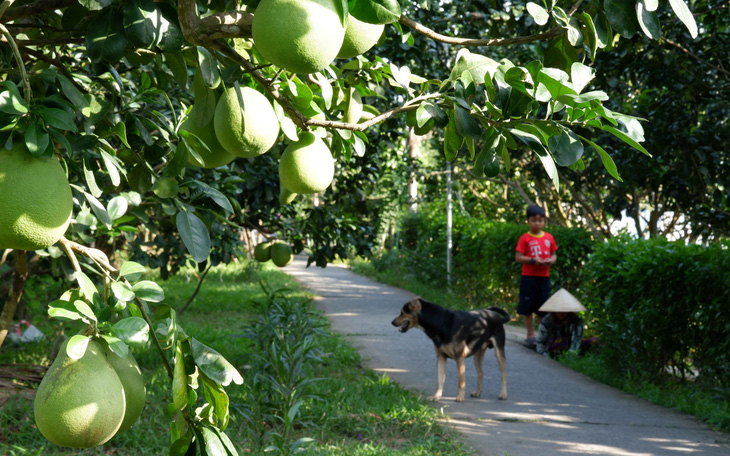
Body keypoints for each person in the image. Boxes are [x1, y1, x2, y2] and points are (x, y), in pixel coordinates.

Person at [515, 204, 557, 345]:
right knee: (528, 306)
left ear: (544, 221)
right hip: (528, 277)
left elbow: (554, 254)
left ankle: (541, 335)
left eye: (540, 220)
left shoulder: (549, 238)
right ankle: (530, 334)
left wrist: (550, 260)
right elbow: (518, 257)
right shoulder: (524, 238)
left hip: (544, 278)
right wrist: (533, 260)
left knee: (543, 307)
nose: (537, 223)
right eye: (534, 220)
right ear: (528, 221)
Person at [535, 288, 597, 357]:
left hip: (569, 345)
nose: (561, 313)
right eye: (559, 310)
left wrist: (570, 357)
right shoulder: (547, 320)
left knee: (595, 341)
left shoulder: (576, 321)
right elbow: (540, 342)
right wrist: (545, 355)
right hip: (552, 346)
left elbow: (576, 340)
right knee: (559, 342)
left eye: (564, 310)